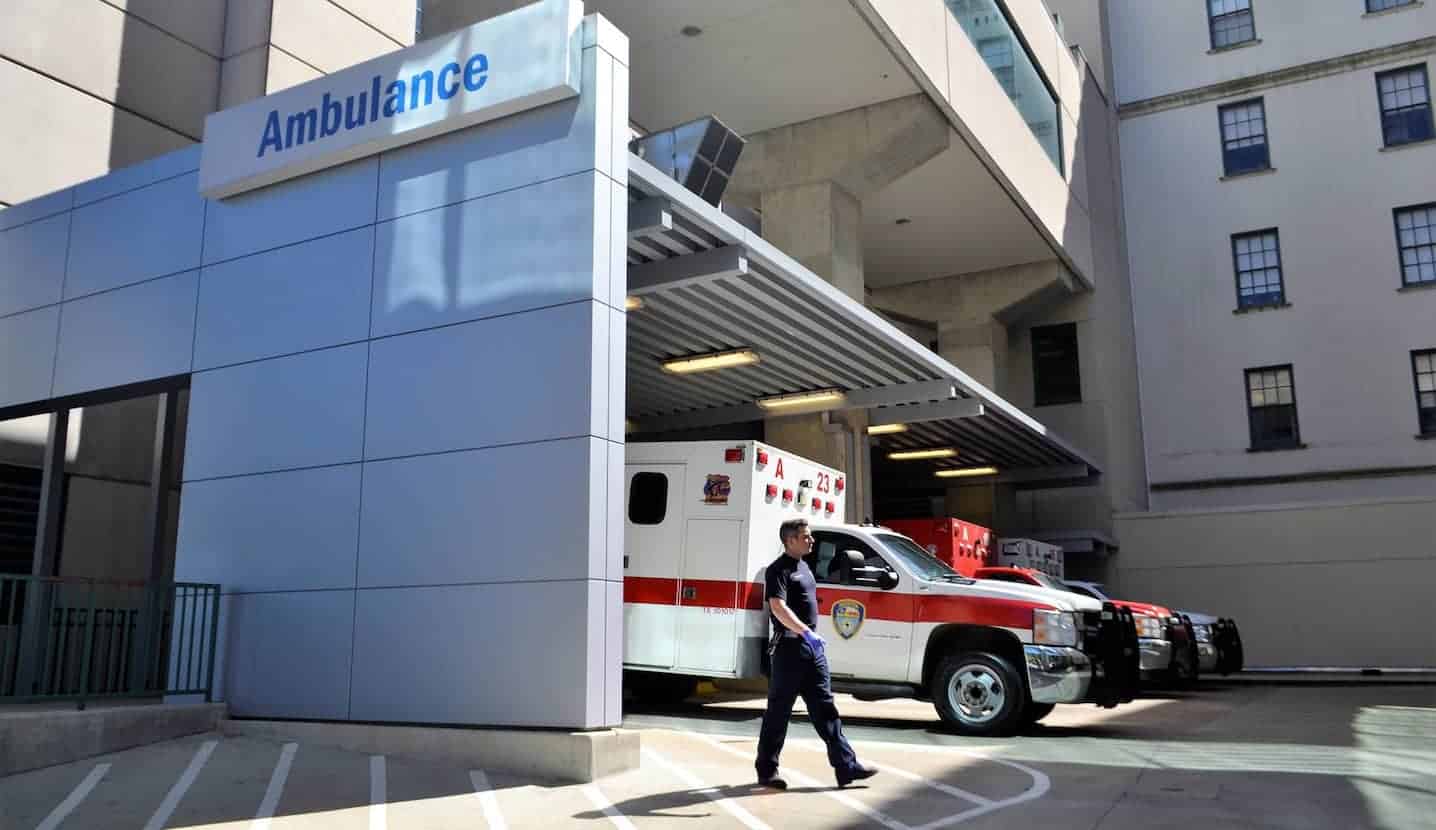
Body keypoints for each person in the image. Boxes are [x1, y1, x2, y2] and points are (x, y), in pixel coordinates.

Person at [755, 518, 877, 790]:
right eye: (805, 536)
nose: (811, 540)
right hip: (788, 650)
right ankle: (767, 770)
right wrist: (805, 632)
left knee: (826, 709)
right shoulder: (778, 570)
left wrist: (811, 639)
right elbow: (778, 607)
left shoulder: (805, 567)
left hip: (811, 652)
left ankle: (846, 768)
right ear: (789, 541)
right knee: (778, 712)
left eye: (809, 536)